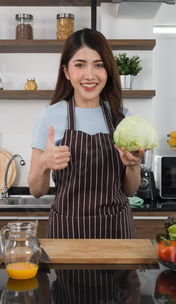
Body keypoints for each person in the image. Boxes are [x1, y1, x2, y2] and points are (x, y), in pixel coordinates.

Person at [28, 28, 145, 239]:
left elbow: (129, 191)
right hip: (67, 232)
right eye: (79, 65)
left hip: (117, 232)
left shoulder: (123, 119)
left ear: (107, 71)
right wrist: (44, 164)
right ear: (66, 71)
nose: (89, 75)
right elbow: (36, 191)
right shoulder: (49, 117)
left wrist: (133, 165)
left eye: (98, 65)